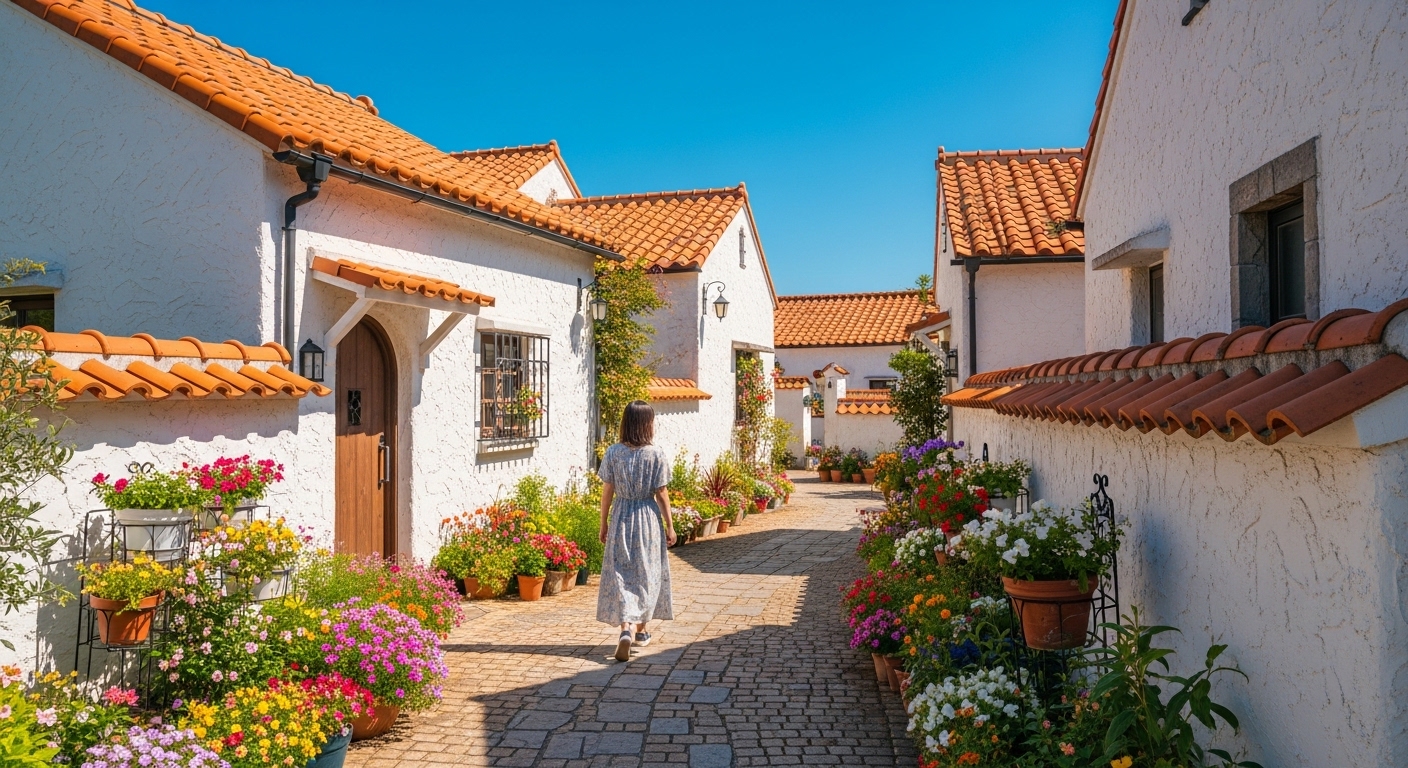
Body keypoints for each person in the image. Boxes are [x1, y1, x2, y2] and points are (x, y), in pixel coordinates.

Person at [596, 400, 676, 661]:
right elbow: (661, 493)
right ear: (647, 424)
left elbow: (607, 491)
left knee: (621, 573)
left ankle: (626, 629)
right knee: (646, 572)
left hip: (621, 515)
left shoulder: (613, 452)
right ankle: (641, 630)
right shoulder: (656, 453)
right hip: (647, 517)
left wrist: (604, 522)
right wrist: (670, 526)